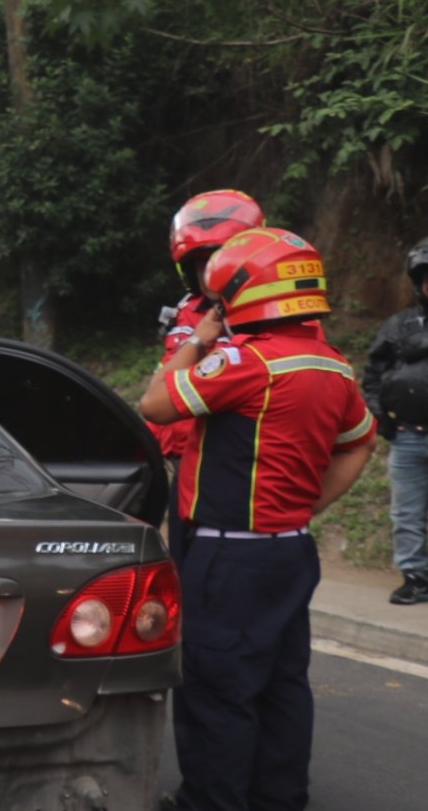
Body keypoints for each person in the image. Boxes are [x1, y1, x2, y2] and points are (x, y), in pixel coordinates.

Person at [120, 228, 375, 811]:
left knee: (216, 695)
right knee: (281, 688)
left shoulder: (243, 363)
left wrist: (197, 344)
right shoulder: (331, 366)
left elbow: (153, 405)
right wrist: (305, 508)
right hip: (289, 549)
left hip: (228, 555)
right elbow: (357, 444)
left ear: (244, 292)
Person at [153, 190, 267, 565]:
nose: (211, 274)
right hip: (182, 463)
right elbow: (163, 390)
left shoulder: (267, 315)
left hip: (235, 469)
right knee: (183, 572)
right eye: (203, 264)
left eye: (221, 262)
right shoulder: (187, 312)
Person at [361, 238, 428, 605]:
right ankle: (416, 577)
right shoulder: (399, 325)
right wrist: (381, 418)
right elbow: (373, 374)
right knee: (407, 512)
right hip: (409, 437)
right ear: (419, 283)